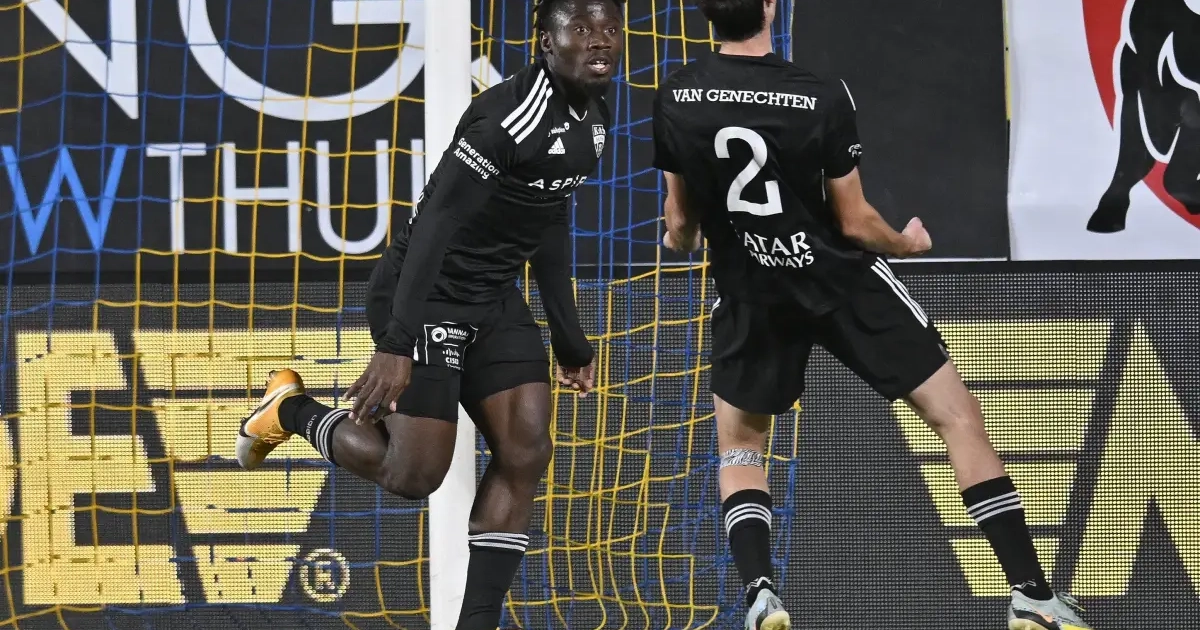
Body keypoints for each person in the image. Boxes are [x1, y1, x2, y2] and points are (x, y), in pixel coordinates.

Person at [651, 1, 1093, 629]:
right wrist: (905, 244)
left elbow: (680, 224)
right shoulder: (821, 95)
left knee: (742, 446)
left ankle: (761, 593)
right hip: (839, 283)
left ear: (705, 12)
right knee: (957, 418)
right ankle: (1031, 594)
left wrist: (684, 238)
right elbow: (856, 222)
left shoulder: (677, 95)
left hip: (751, 290)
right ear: (770, 6)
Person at [235, 1, 624, 627]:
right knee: (413, 476)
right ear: (545, 43)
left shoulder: (595, 114)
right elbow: (434, 226)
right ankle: (290, 410)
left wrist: (569, 337)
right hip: (425, 294)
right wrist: (397, 341)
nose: (599, 41)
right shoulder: (504, 120)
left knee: (526, 449)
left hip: (493, 297)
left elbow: (549, 215)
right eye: (580, 30)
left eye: (609, 30)